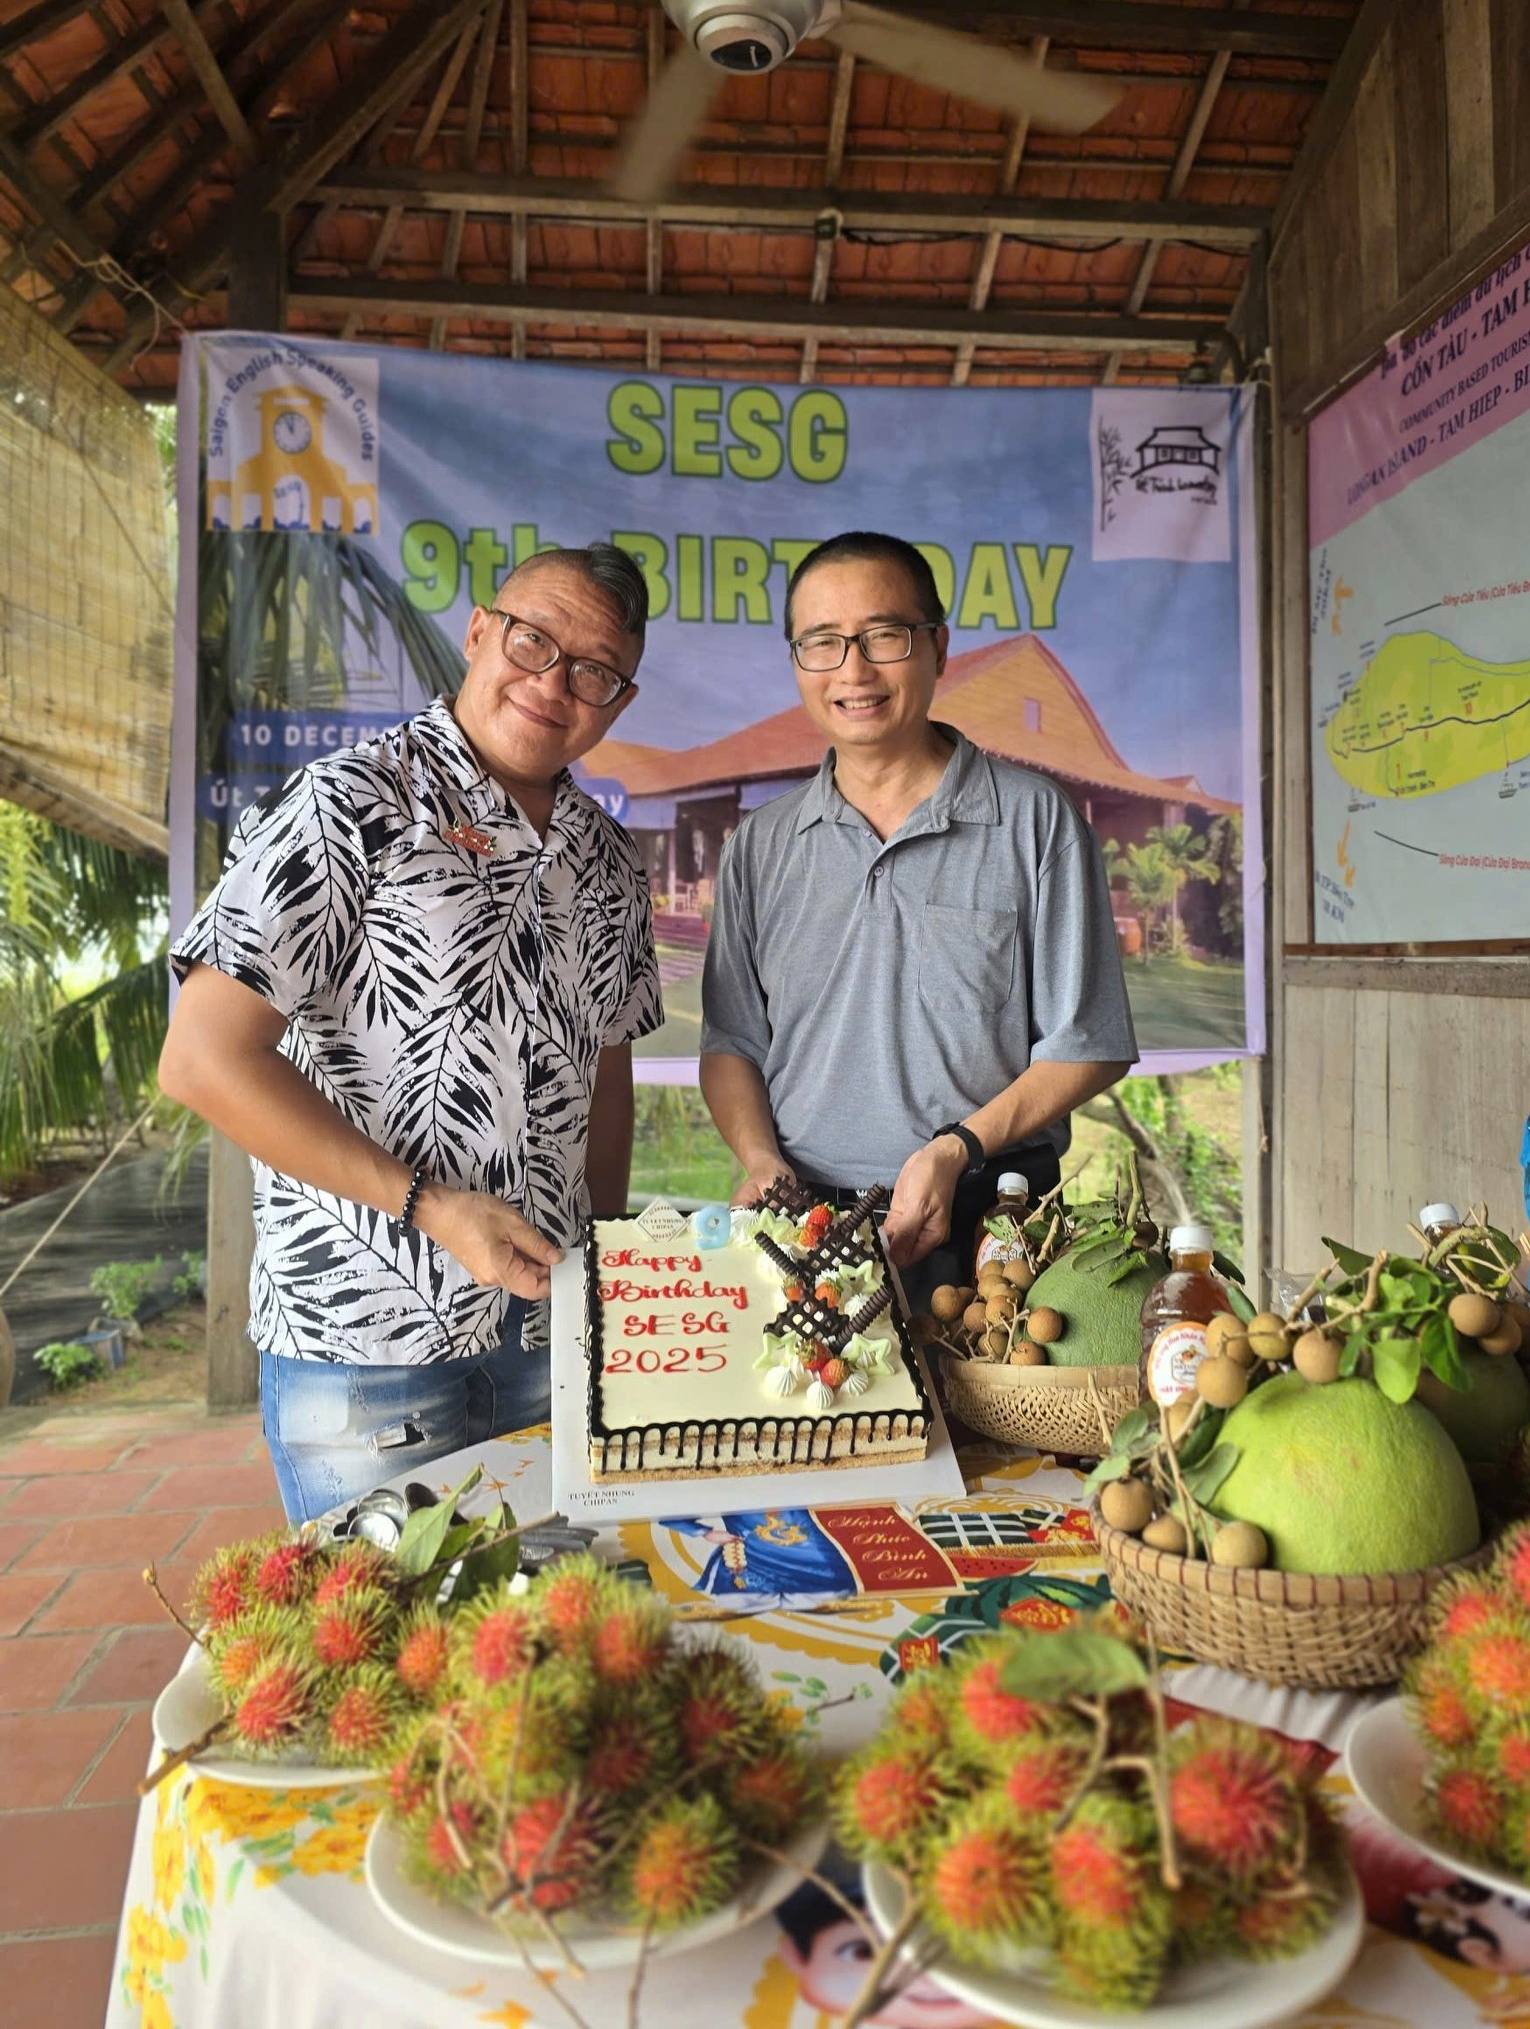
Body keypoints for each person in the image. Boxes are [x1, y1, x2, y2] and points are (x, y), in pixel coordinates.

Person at [159, 543, 662, 1521]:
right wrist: (430, 1207)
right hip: (365, 1354)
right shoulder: (350, 804)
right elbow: (202, 1058)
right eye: (532, 641)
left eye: (593, 670)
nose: (552, 682)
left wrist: (597, 1265)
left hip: (544, 1335)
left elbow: (608, 1071)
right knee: (384, 1618)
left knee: (549, 1610)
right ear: (479, 633)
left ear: (619, 701)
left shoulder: (606, 859)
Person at [699, 530, 1136, 1294]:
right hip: (807, 1224)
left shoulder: (1034, 820)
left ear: (937, 644)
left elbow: (1089, 1044)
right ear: (797, 660)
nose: (853, 670)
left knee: (990, 1382)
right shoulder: (760, 846)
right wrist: (762, 1161)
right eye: (823, 642)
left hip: (992, 1221)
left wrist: (957, 1147)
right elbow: (732, 1041)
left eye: (884, 635)